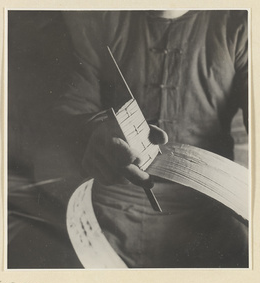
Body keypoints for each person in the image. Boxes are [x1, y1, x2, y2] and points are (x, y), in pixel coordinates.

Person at [34, 10, 249, 268]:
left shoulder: (240, 22)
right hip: (109, 205)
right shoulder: (97, 17)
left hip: (208, 211)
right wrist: (94, 132)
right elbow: (72, 109)